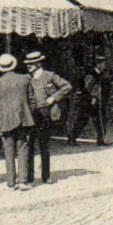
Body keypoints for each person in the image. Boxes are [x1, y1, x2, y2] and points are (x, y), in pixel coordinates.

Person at [0, 53, 38, 189]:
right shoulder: (25, 79)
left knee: (8, 152)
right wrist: (29, 113)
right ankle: (23, 181)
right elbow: (33, 101)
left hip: (5, 122)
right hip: (24, 120)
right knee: (23, 150)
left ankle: (10, 182)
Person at [25, 51, 72, 184]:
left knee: (44, 146)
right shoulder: (27, 78)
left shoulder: (49, 76)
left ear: (38, 63)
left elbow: (67, 86)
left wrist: (53, 98)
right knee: (29, 145)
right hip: (31, 114)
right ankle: (29, 176)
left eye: (31, 64)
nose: (29, 66)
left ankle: (46, 175)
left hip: (45, 114)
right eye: (28, 64)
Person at [72, 58, 111, 146]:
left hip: (93, 100)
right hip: (89, 100)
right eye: (103, 65)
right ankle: (72, 138)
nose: (105, 67)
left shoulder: (98, 74)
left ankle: (101, 140)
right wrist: (93, 98)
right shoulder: (91, 74)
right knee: (85, 120)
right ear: (99, 64)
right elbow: (88, 88)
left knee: (98, 120)